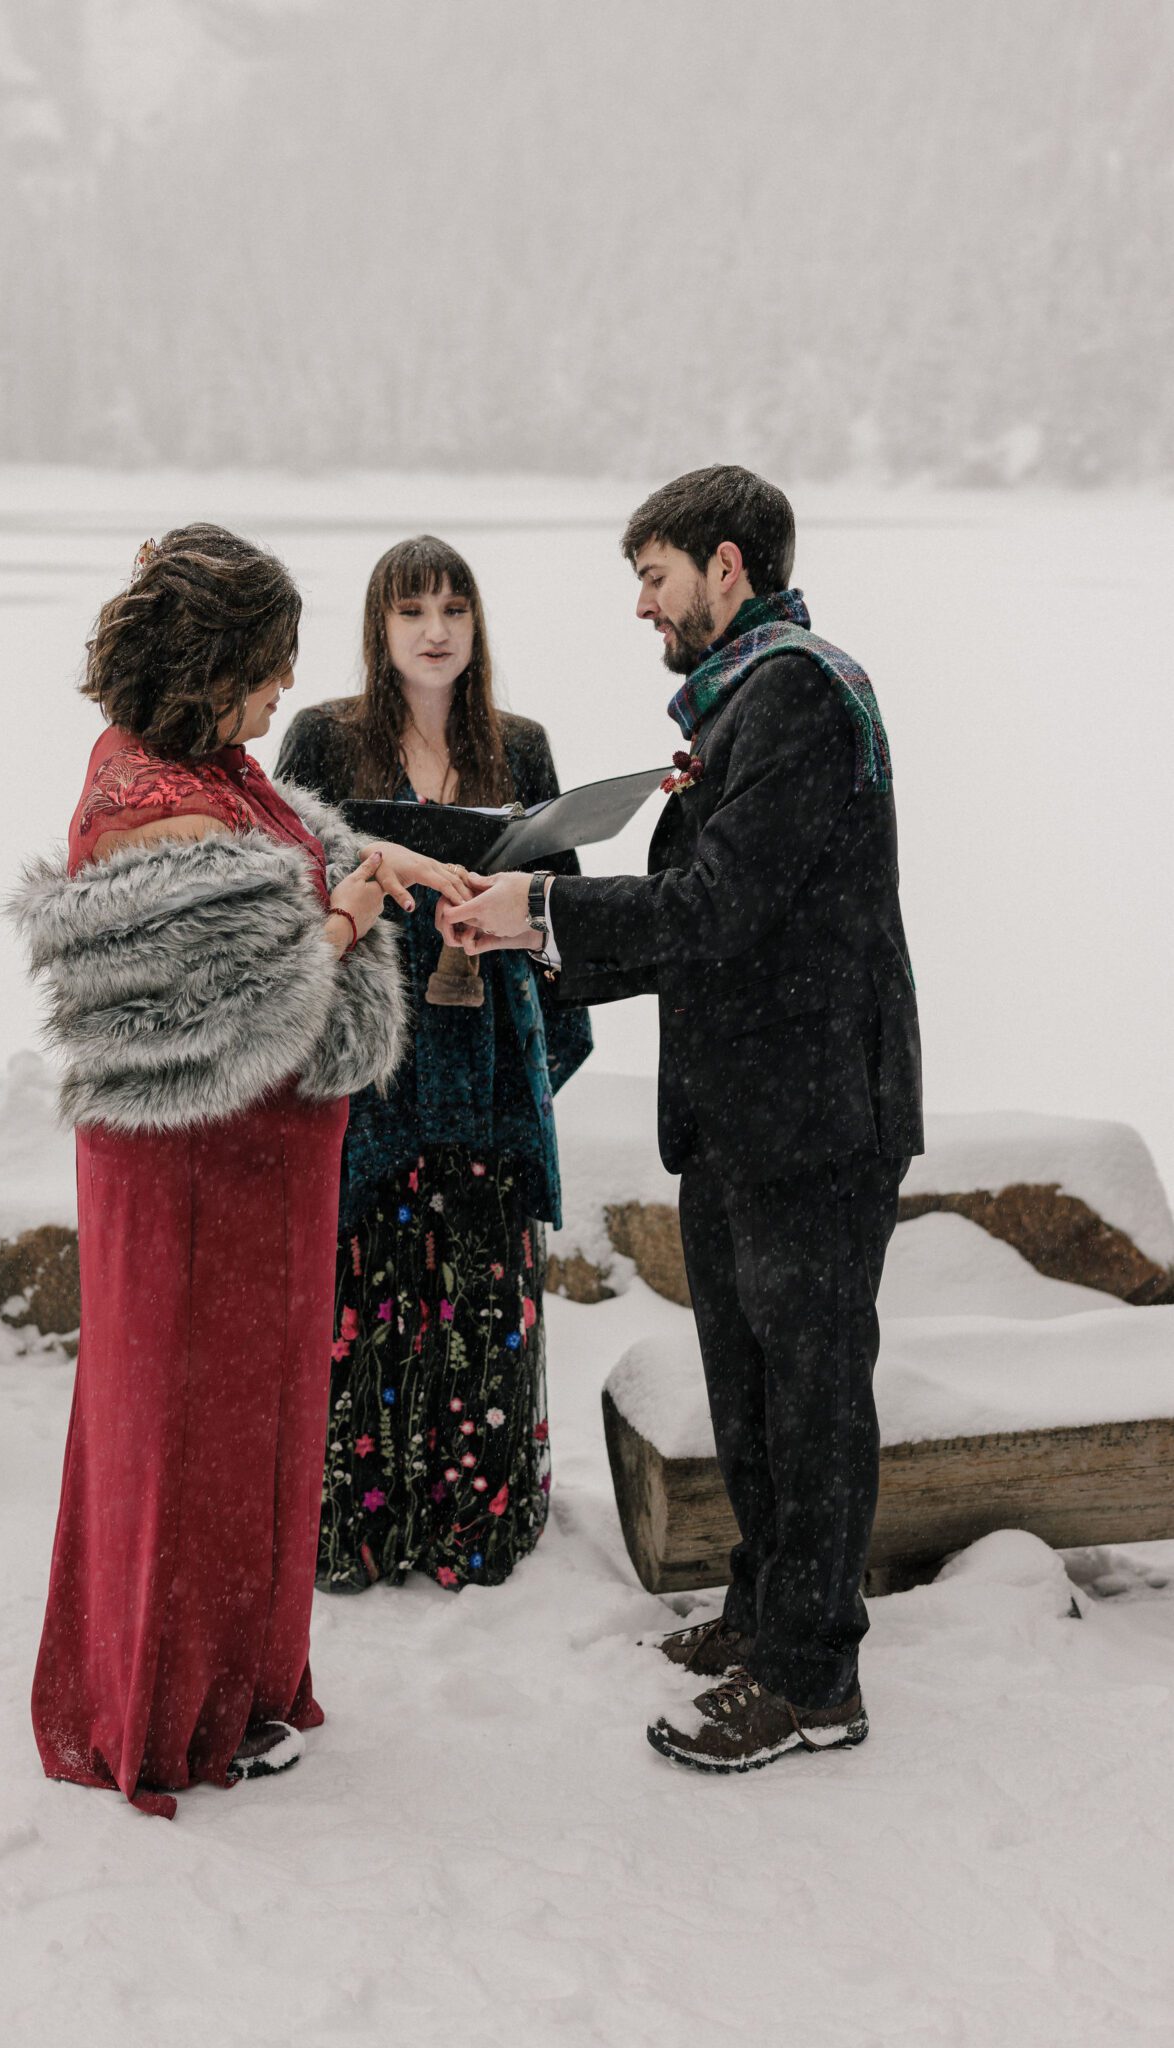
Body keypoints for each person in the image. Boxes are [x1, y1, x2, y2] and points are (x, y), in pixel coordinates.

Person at [438, 467, 923, 1771]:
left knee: (811, 1400)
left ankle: (813, 1679)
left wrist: (531, 915)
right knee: (752, 1389)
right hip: (743, 1111)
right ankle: (766, 1613)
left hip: (816, 1116)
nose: (642, 608)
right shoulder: (742, 703)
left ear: (725, 563)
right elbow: (716, 894)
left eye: (651, 578)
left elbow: (715, 909)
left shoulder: (802, 693)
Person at [9, 525, 469, 1817]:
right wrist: (347, 916)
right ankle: (167, 1714)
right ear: (212, 666)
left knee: (253, 1437)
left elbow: (286, 863)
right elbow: (250, 1000)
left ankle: (240, 1682)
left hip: (257, 1177)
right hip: (193, 1188)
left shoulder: (199, 767)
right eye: (269, 667)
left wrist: (379, 867)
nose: (282, 692)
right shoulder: (154, 813)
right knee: (186, 1445)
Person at [276, 535, 592, 1592]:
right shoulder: (323, 739)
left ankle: (474, 1519)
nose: (436, 628)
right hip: (378, 1055)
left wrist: (510, 927)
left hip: (484, 1056)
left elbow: (564, 915)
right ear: (378, 625)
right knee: (363, 1283)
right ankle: (362, 1525)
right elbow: (284, 880)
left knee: (480, 1288)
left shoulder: (522, 745)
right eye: (413, 609)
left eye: (454, 606)